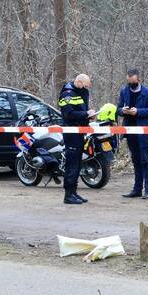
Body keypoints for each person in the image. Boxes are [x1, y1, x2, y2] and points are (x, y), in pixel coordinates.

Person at [117, 68, 148, 199]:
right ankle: (137, 189)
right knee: (135, 160)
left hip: (145, 131)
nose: (131, 85)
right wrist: (123, 110)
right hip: (130, 130)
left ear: (139, 80)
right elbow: (117, 109)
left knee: (145, 160)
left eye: (133, 82)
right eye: (129, 82)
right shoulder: (124, 91)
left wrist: (138, 111)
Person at [58, 73, 97, 205]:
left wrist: (89, 116)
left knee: (77, 164)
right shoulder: (67, 94)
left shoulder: (82, 92)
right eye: (85, 85)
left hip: (80, 131)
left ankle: (73, 192)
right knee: (72, 164)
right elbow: (68, 114)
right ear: (79, 82)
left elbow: (80, 111)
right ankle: (68, 195)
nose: (86, 88)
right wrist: (86, 114)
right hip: (71, 132)